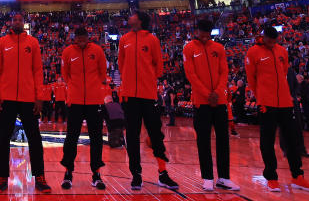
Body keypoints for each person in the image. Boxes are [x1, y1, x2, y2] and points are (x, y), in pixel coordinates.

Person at [244, 26, 309, 192]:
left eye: (274, 41)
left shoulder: (282, 51)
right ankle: (271, 177)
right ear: (263, 38)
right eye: (269, 41)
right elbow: (251, 78)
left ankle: (297, 176)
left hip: (284, 102)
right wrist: (260, 96)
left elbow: (284, 73)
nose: (272, 44)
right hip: (266, 103)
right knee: (267, 141)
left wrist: (285, 94)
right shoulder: (253, 52)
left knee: (292, 139)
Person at [118, 10, 178, 191]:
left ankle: (162, 172)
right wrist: (129, 80)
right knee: (132, 136)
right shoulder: (124, 40)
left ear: (140, 20)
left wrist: (146, 79)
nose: (129, 17)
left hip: (149, 95)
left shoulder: (152, 40)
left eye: (132, 15)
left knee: (156, 135)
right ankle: (136, 175)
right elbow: (121, 65)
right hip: (129, 95)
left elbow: (159, 67)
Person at [0, 13, 50, 193]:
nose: (17, 22)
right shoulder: (2, 42)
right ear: (10, 22)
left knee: (35, 138)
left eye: (19, 20)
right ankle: (2, 178)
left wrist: (39, 96)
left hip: (28, 98)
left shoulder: (32, 43)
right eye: (14, 20)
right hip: (7, 98)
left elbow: (38, 70)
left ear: (24, 23)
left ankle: (39, 177)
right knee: (2, 138)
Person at [183, 19, 239, 191]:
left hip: (219, 101)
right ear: (197, 32)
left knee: (223, 140)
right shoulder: (189, 48)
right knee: (203, 141)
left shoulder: (219, 48)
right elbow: (191, 75)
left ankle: (224, 177)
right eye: (203, 35)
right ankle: (207, 177)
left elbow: (224, 72)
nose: (206, 38)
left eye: (208, 35)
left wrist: (219, 91)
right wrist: (208, 94)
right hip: (201, 102)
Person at [59, 26, 108, 190]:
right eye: (78, 39)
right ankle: (68, 173)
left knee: (96, 138)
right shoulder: (67, 52)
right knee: (71, 138)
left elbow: (102, 72)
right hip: (75, 100)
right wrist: (74, 87)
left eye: (83, 38)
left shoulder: (97, 51)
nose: (81, 41)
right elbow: (65, 73)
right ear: (74, 38)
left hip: (95, 100)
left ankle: (97, 174)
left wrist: (94, 87)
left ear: (88, 37)